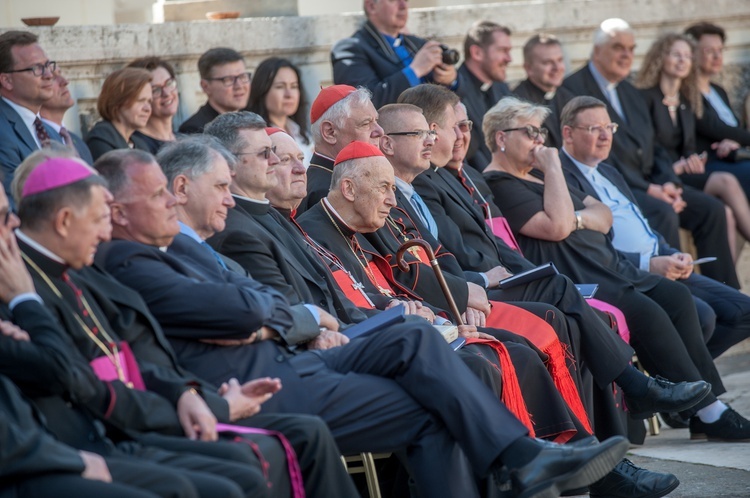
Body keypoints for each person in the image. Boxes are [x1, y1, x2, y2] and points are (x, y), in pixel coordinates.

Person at [95, 134, 631, 498]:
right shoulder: (130, 255)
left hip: (295, 356)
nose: (228, 199)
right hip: (266, 376)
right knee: (440, 396)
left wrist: (273, 317)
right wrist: (289, 320)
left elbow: (253, 303)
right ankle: (520, 458)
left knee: (414, 341)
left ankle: (521, 456)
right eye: (162, 195)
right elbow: (242, 305)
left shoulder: (182, 245)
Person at [482, 95, 750, 443]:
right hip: (580, 273)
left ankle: (698, 405)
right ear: (501, 137)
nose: (539, 142)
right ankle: (708, 410)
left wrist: (573, 214)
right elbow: (556, 228)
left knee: (677, 297)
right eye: (531, 133)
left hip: (612, 265)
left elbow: (604, 216)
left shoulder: (539, 176)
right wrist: (557, 180)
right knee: (649, 313)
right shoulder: (501, 183)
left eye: (540, 133)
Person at [562, 18, 739, 289]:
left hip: (652, 182)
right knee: (664, 211)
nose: (626, 55)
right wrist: (651, 188)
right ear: (597, 51)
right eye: (618, 47)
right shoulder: (573, 89)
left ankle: (724, 288)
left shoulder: (630, 91)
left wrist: (670, 183)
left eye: (631, 49)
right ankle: (678, 289)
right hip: (619, 189)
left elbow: (654, 146)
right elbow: (602, 160)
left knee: (712, 210)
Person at [635, 33, 750, 262]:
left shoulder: (687, 101)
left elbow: (688, 146)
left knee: (725, 212)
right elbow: (648, 148)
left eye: (687, 56)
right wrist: (674, 168)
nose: (682, 60)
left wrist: (692, 159)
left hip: (686, 173)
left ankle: (726, 287)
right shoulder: (644, 98)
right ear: (660, 58)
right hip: (662, 176)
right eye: (676, 55)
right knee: (725, 181)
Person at [330, 0, 458, 108]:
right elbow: (363, 104)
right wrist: (415, 70)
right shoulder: (350, 48)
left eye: (406, 0)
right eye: (394, 0)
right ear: (371, 6)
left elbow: (464, 94)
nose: (403, 6)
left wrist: (450, 79)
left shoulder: (417, 44)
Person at [300, 85, 383, 212]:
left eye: (376, 121)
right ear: (330, 132)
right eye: (366, 124)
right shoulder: (326, 193)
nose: (379, 131)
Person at [0, 31, 63, 198]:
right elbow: (12, 200)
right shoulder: (2, 131)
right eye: (37, 68)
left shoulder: (50, 133)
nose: (49, 75)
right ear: (7, 81)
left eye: (48, 66)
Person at [685, 22, 750, 171]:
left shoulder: (718, 90)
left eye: (720, 50)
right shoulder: (687, 92)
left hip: (736, 155)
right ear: (692, 54)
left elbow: (733, 128)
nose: (717, 56)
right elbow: (713, 127)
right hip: (714, 162)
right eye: (709, 51)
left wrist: (736, 142)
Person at [455, 21, 513, 171]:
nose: (509, 59)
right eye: (502, 50)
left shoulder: (501, 88)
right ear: (477, 53)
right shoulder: (453, 91)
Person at [513, 33, 576, 149]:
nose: (557, 68)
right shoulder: (519, 104)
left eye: (560, 60)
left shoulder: (570, 98)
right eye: (547, 62)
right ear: (529, 68)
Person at [246, 57, 313, 164]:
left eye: (294, 86)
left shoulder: (301, 132)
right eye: (280, 87)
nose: (289, 94)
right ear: (262, 90)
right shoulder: (255, 137)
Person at [85, 68, 152, 161]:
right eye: (140, 101)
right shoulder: (100, 141)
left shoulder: (141, 145)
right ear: (118, 101)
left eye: (149, 101)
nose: (147, 109)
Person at [178, 48, 251, 134]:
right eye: (228, 80)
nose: (239, 86)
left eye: (242, 77)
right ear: (205, 86)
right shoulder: (195, 130)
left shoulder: (251, 119)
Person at [126, 57, 181, 154]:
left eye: (169, 83)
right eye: (155, 90)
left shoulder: (183, 139)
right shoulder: (136, 147)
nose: (167, 93)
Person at [39, 69, 94, 164]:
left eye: (60, 73)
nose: (65, 82)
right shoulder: (37, 138)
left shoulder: (77, 141)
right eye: (51, 77)